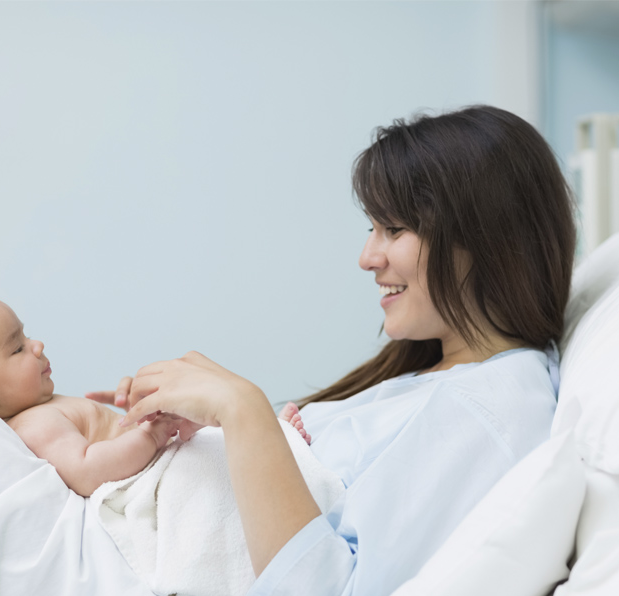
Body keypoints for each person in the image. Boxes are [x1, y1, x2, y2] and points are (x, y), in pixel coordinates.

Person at [94, 105, 577, 595]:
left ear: (484, 236)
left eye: (394, 229)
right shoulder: (441, 380)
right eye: (372, 228)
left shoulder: (486, 412)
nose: (368, 257)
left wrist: (241, 411)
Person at [0, 292, 183, 498]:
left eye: (25, 336)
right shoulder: (33, 425)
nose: (37, 345)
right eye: (17, 348)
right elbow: (88, 471)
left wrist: (137, 411)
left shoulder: (42, 409)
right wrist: (152, 435)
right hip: (161, 473)